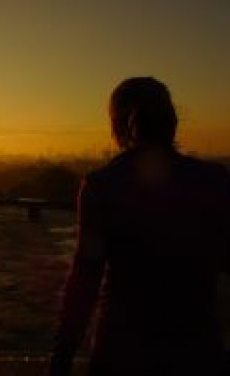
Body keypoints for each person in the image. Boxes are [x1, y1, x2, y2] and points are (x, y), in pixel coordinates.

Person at [49, 77, 230, 376]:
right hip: (199, 356)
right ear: (172, 122)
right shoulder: (214, 180)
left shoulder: (102, 187)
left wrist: (62, 354)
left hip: (120, 355)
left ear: (118, 128)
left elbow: (86, 278)